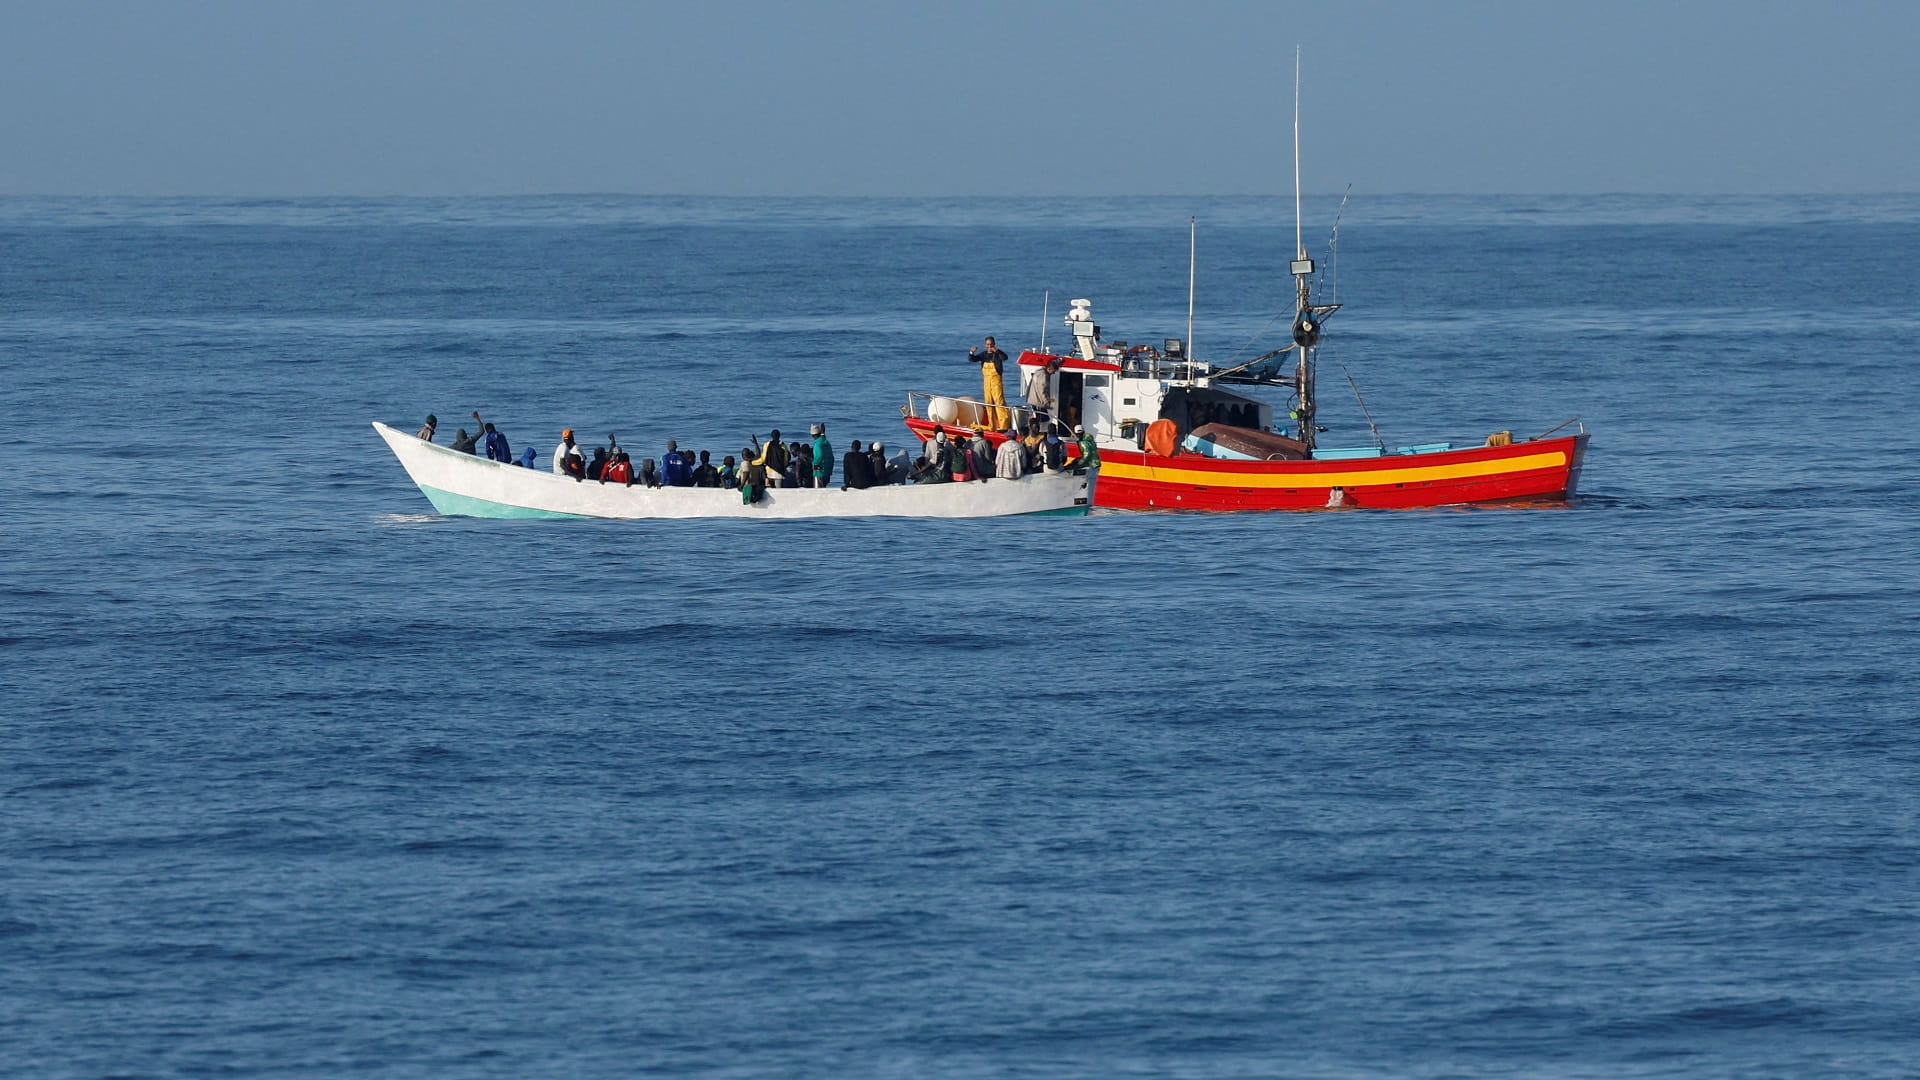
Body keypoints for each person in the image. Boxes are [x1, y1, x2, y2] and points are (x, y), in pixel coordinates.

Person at [967, 335, 1011, 430]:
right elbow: (972, 359)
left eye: (991, 345)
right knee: (988, 403)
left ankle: (1004, 426)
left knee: (999, 402)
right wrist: (971, 352)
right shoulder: (984, 355)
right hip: (987, 382)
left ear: (994, 345)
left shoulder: (998, 354)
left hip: (996, 382)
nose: (989, 347)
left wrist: (997, 351)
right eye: (988, 345)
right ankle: (992, 425)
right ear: (985, 345)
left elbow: (1005, 357)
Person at [810, 423, 833, 489]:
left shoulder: (817, 444)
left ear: (812, 435)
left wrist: (814, 464)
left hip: (819, 472)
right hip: (827, 470)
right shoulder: (826, 442)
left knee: (818, 490)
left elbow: (819, 455)